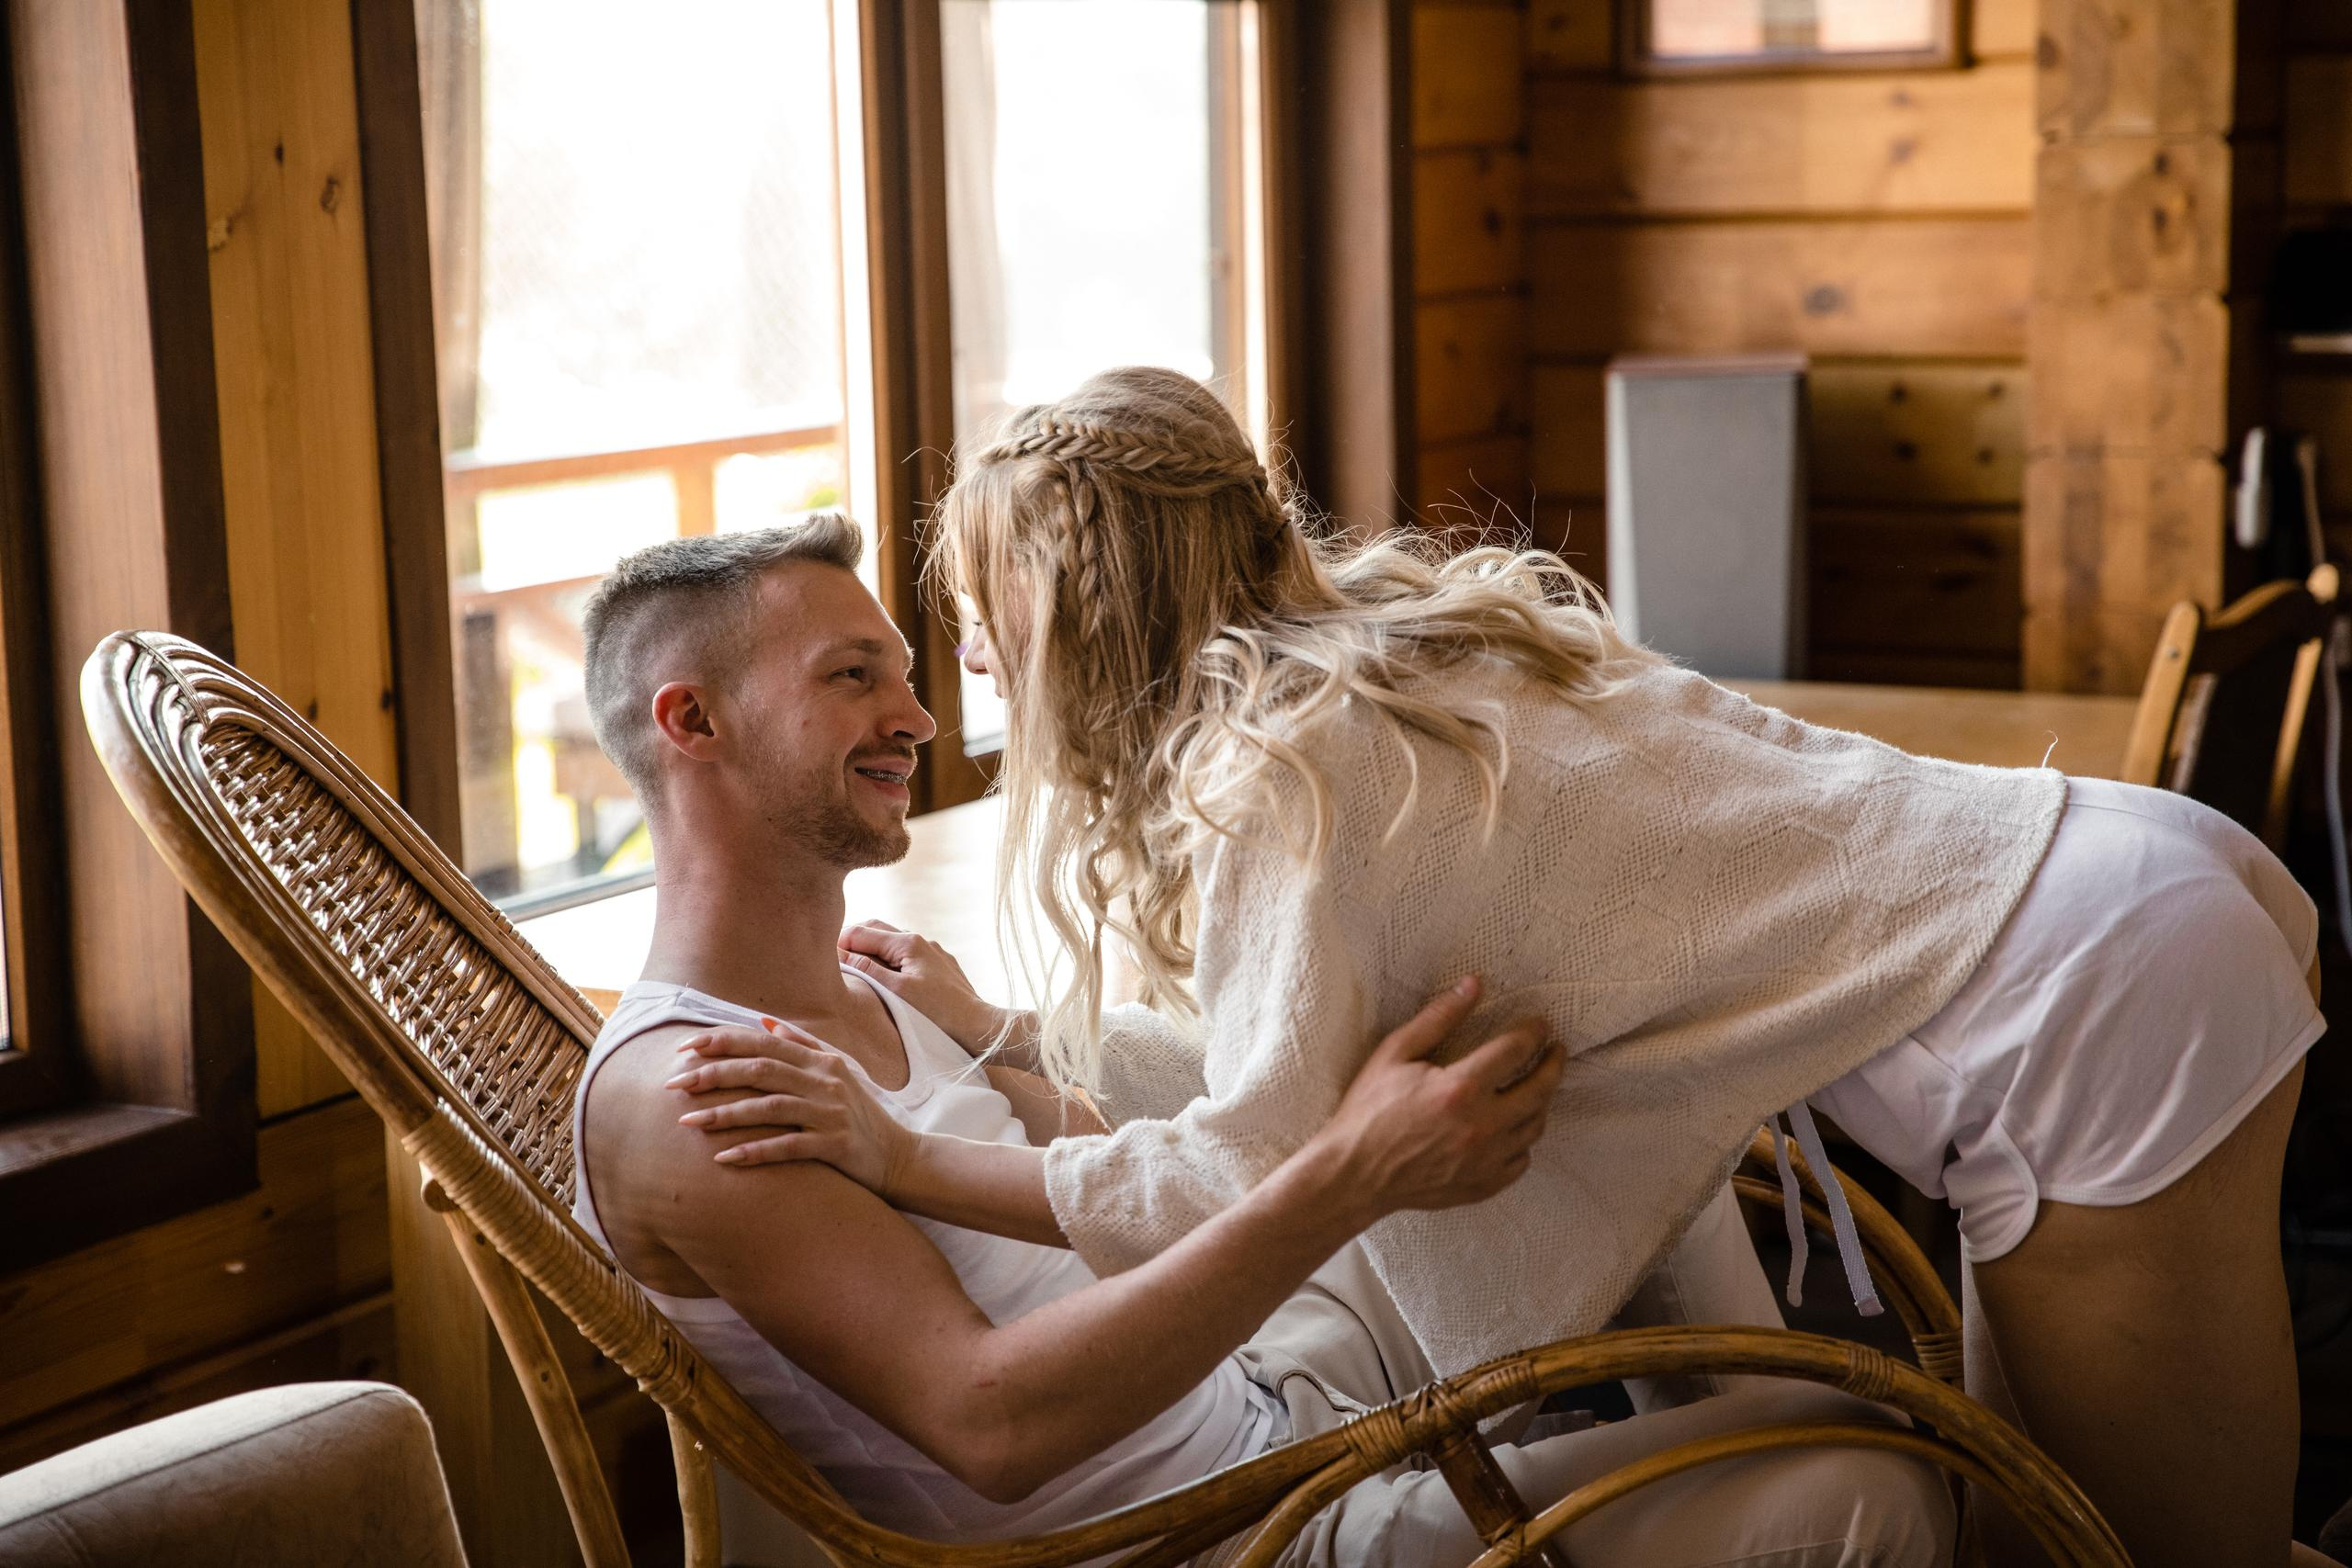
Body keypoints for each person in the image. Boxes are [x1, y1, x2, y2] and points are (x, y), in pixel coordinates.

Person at [704, 367, 2329, 1568]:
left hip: (2089, 1003)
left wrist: (909, 1152)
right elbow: (1296, 1067)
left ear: (1083, 618)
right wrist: (998, 1032)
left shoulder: (1294, 779)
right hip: (2124, 877)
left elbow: (1250, 1173)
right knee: (2038, 1529)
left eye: (984, 618)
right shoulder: (1383, 654)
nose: (970, 660)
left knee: (2128, 1557)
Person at [570, 518, 1955, 1567]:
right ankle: (1663, 1440)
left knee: (1586, 1093)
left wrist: (1004, 1058)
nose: (920, 718)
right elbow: (992, 1427)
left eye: (908, 672)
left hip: (1271, 1376)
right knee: (1873, 1484)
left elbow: (1089, 1172)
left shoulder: (857, 994)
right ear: (691, 723)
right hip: (1242, 1526)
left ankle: (1682, 1410)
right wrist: (1351, 1175)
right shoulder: (694, 1096)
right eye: (853, 676)